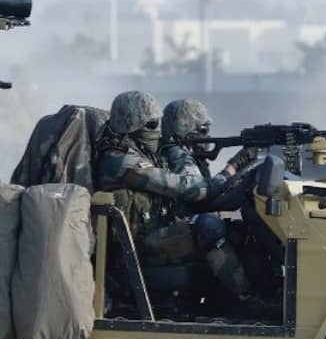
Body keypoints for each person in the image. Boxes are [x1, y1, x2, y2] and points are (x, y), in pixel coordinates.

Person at [95, 91, 263, 312]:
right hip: (135, 248)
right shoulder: (120, 162)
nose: (157, 130)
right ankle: (246, 300)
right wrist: (233, 167)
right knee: (208, 227)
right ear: (133, 125)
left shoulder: (145, 155)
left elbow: (195, 196)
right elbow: (190, 189)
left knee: (239, 233)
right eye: (152, 124)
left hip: (151, 238)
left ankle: (233, 302)